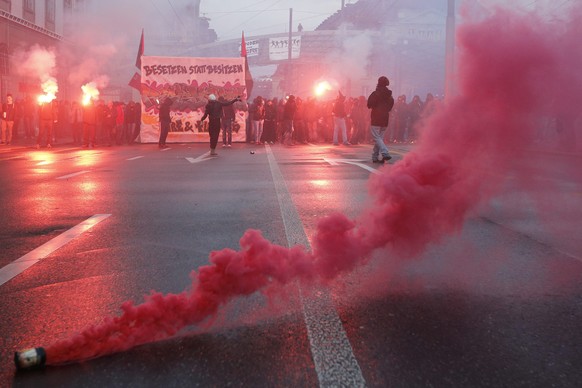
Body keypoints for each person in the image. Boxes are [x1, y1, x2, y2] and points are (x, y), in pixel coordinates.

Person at [367, 76, 394, 163]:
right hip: (385, 119)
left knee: (376, 138)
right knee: (379, 139)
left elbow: (369, 104)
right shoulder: (390, 96)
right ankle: (375, 156)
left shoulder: (376, 93)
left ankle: (385, 153)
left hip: (376, 118)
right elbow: (390, 107)